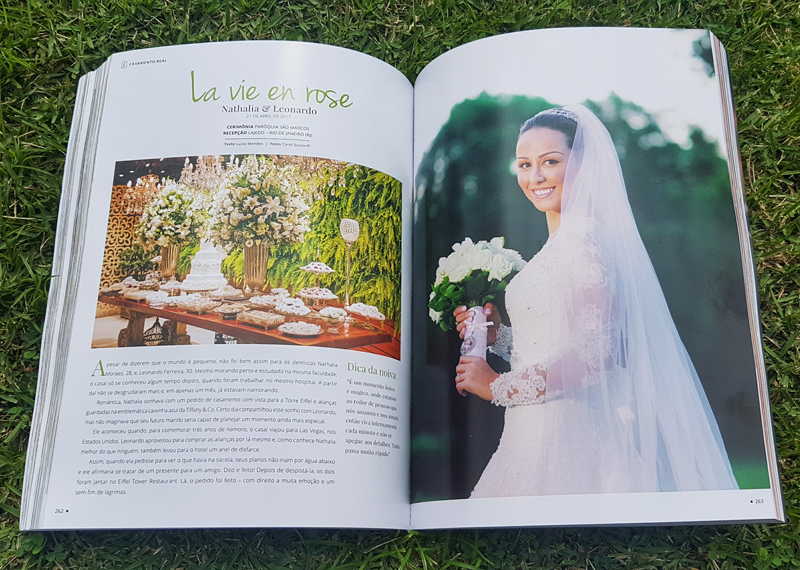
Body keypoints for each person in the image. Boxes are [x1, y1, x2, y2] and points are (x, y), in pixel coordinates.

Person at [452, 105, 739, 497]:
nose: (534, 177)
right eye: (523, 164)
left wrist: (496, 385)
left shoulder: (586, 240)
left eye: (549, 161)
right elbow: (555, 343)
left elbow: (595, 354)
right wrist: (498, 335)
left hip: (566, 440)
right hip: (526, 440)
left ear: (584, 163)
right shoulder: (558, 246)